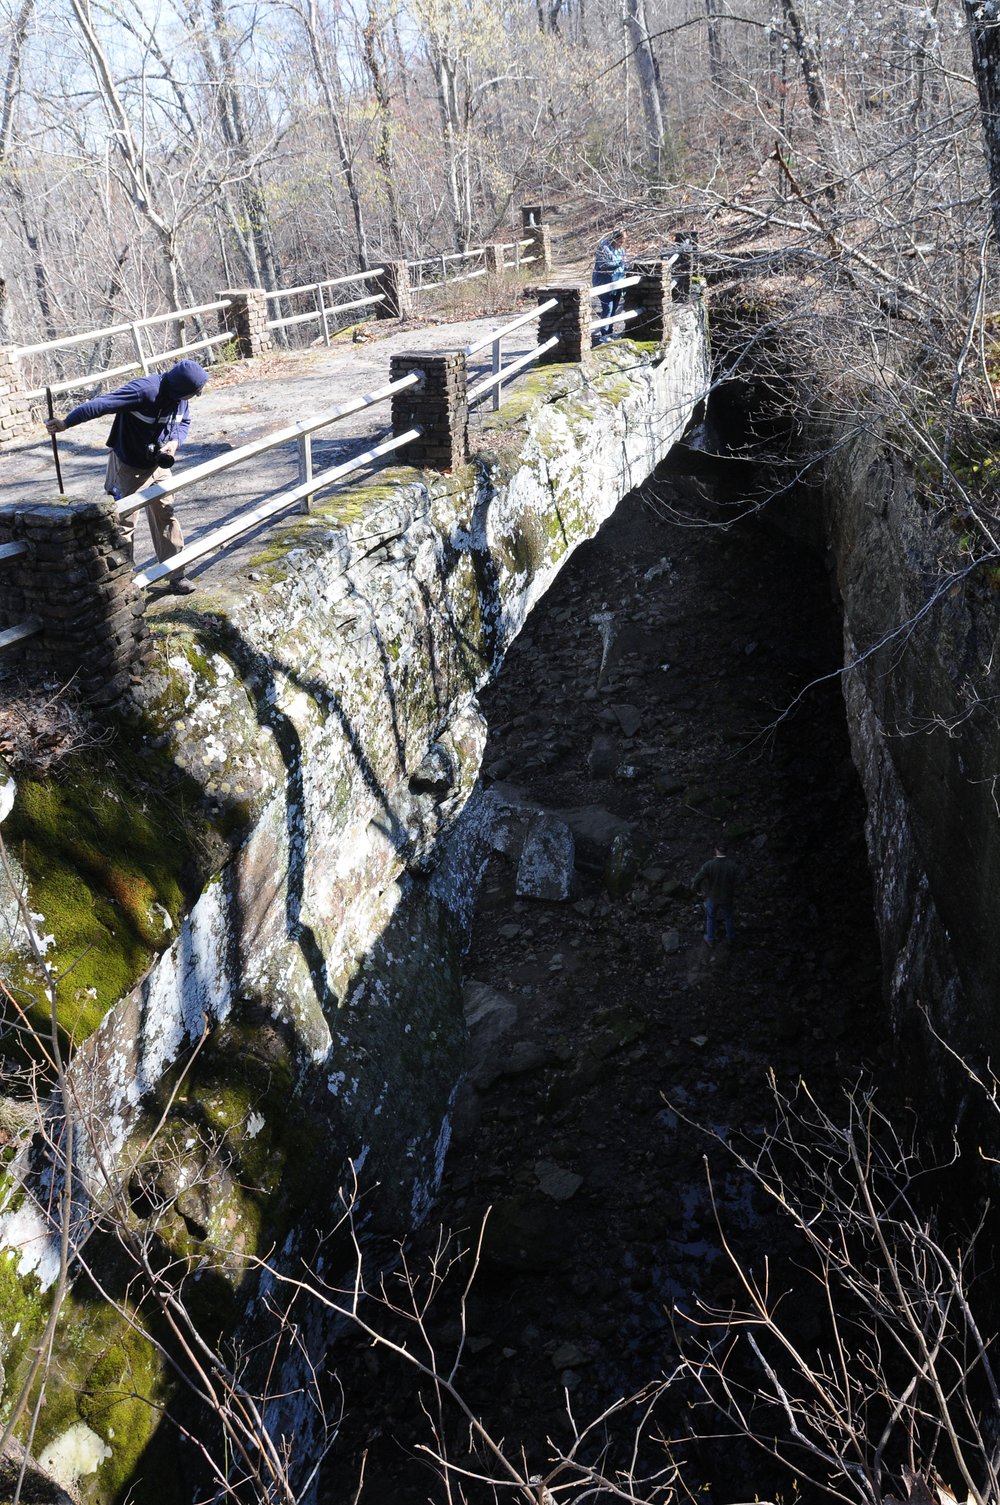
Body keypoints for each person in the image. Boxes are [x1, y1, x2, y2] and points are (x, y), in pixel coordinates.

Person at [44, 358, 209, 595]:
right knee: (124, 524)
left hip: (158, 464)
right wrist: (65, 423)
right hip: (128, 467)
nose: (195, 397)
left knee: (166, 515)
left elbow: (184, 422)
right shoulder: (145, 391)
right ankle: (124, 585)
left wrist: (174, 443)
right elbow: (102, 404)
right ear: (180, 388)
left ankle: (176, 573)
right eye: (195, 393)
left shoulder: (180, 397)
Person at [692, 845, 738, 946]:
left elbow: (697, 879)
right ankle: (730, 938)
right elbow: (738, 881)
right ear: (727, 851)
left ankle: (710, 939)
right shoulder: (733, 865)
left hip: (713, 896)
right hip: (727, 897)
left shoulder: (709, 865)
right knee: (728, 916)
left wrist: (697, 890)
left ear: (716, 850)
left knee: (711, 917)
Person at [592, 228, 628, 346]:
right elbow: (604, 266)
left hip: (618, 283)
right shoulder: (604, 249)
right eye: (620, 241)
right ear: (615, 239)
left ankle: (610, 332)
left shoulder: (621, 250)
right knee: (607, 308)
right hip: (604, 283)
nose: (622, 244)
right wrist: (619, 263)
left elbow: (623, 265)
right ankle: (604, 335)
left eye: (623, 241)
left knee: (614, 309)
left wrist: (628, 266)